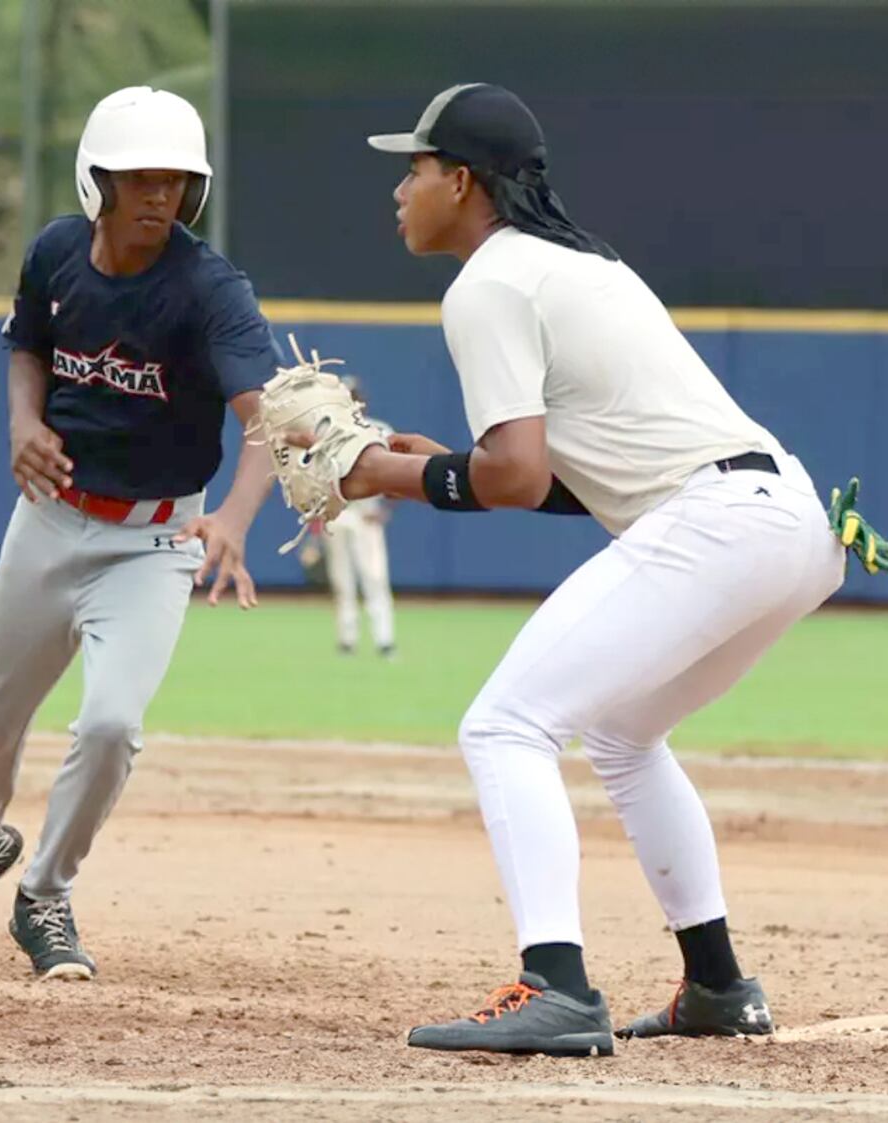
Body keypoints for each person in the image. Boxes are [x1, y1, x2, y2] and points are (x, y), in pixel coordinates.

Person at [333, 82, 856, 1054]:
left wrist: (386, 474)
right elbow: (564, 481)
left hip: (716, 521)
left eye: (412, 168)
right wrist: (423, 462)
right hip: (788, 520)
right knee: (620, 734)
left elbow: (516, 478)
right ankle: (717, 984)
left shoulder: (488, 282)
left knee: (505, 724)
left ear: (461, 179)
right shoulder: (578, 263)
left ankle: (558, 987)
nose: (399, 189)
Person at [0, 86, 280, 980]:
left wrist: (236, 519)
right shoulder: (58, 251)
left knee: (110, 724)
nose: (159, 197)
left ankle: (45, 893)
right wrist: (22, 423)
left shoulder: (210, 289)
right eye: (138, 179)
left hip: (153, 539)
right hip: (48, 522)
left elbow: (266, 418)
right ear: (94, 180)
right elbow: (24, 343)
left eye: (176, 181)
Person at [319, 378, 397, 658]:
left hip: (367, 514)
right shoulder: (327, 433)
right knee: (342, 581)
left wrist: (386, 510)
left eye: (353, 396)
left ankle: (384, 639)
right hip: (338, 513)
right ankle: (347, 639)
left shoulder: (379, 430)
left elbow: (400, 473)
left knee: (375, 577)